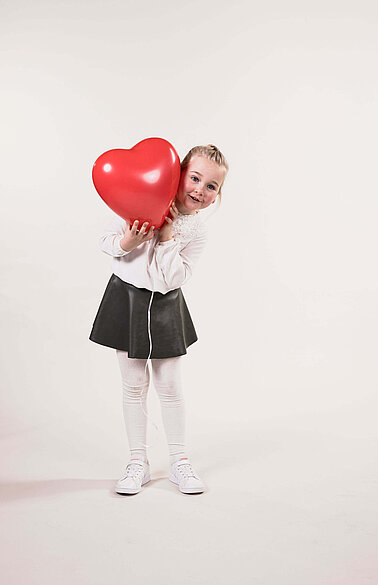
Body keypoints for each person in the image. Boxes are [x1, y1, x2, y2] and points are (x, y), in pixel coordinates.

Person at [89, 144, 229, 495]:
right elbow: (106, 242)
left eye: (211, 186)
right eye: (194, 178)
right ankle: (138, 461)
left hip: (166, 306)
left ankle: (180, 462)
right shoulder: (137, 197)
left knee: (170, 386)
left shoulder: (196, 231)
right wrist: (127, 240)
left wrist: (166, 240)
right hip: (126, 300)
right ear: (178, 175)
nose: (200, 189)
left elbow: (174, 279)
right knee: (133, 386)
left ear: (217, 195)